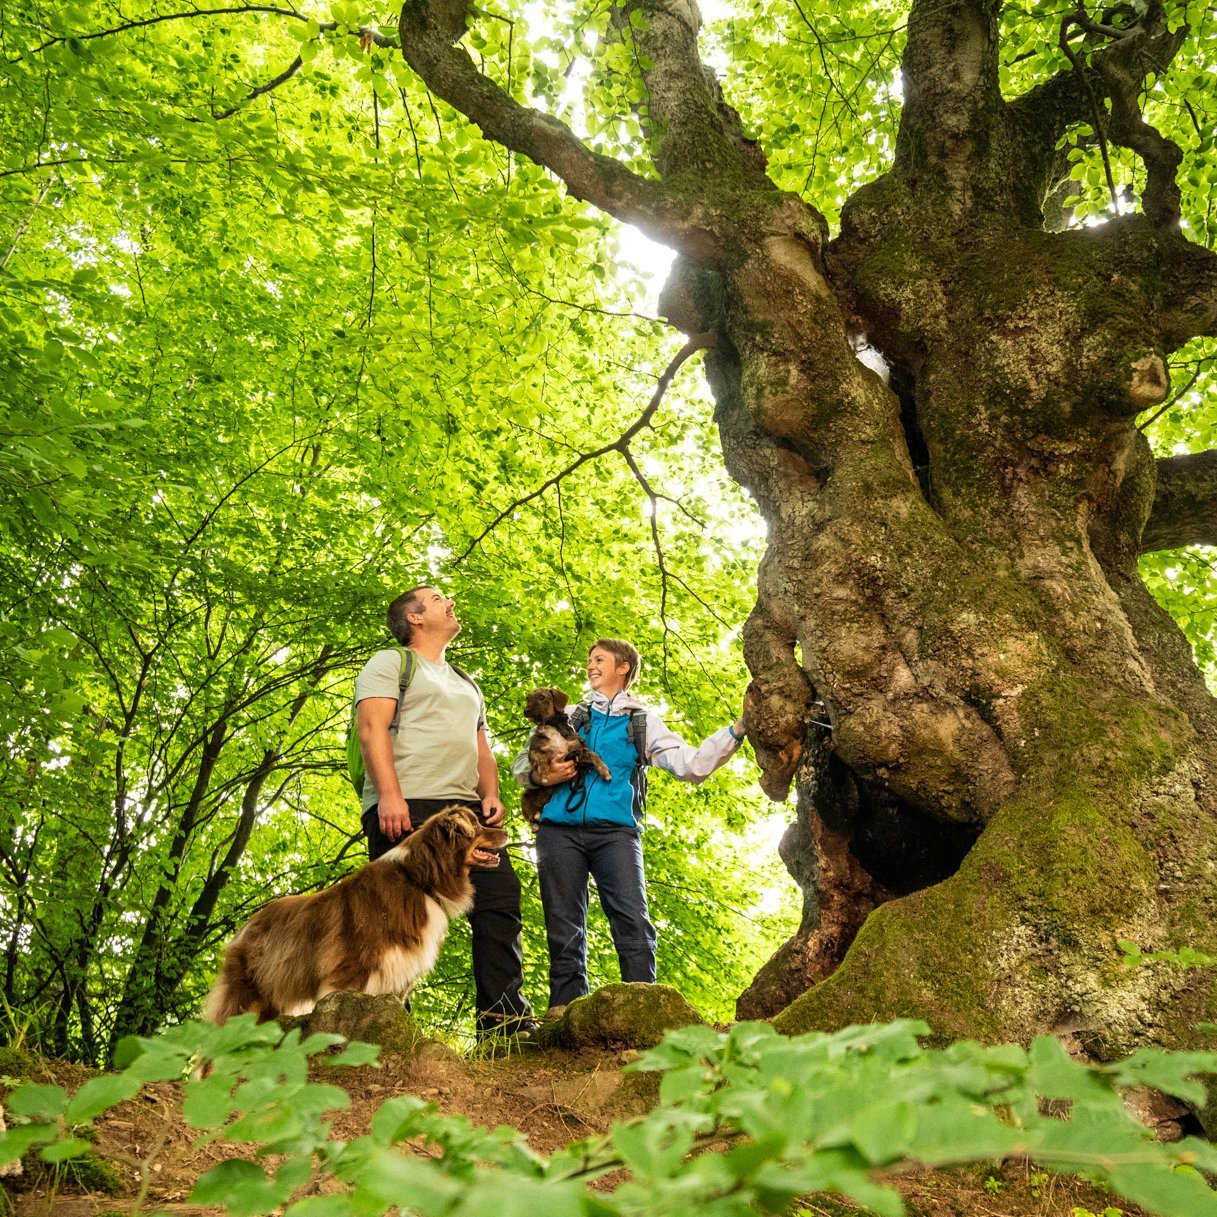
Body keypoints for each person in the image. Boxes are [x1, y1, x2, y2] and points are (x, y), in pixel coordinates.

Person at [513, 638, 745, 1017]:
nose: (590, 666)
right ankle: (564, 1014)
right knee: (562, 923)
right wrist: (543, 775)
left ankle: (644, 1011)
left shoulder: (641, 721)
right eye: (589, 660)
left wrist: (736, 731)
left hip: (615, 833)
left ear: (623, 668)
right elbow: (522, 767)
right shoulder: (569, 715)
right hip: (558, 830)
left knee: (632, 919)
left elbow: (693, 765)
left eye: (599, 659)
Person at [355, 586, 536, 1041]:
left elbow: (482, 749)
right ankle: (390, 1030)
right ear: (414, 618)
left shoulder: (465, 681)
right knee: (395, 916)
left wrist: (490, 794)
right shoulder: (391, 664)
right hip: (406, 806)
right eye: (437, 598)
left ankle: (504, 1025)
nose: (449, 601)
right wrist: (389, 796)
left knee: (499, 900)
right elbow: (372, 728)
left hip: (466, 814)